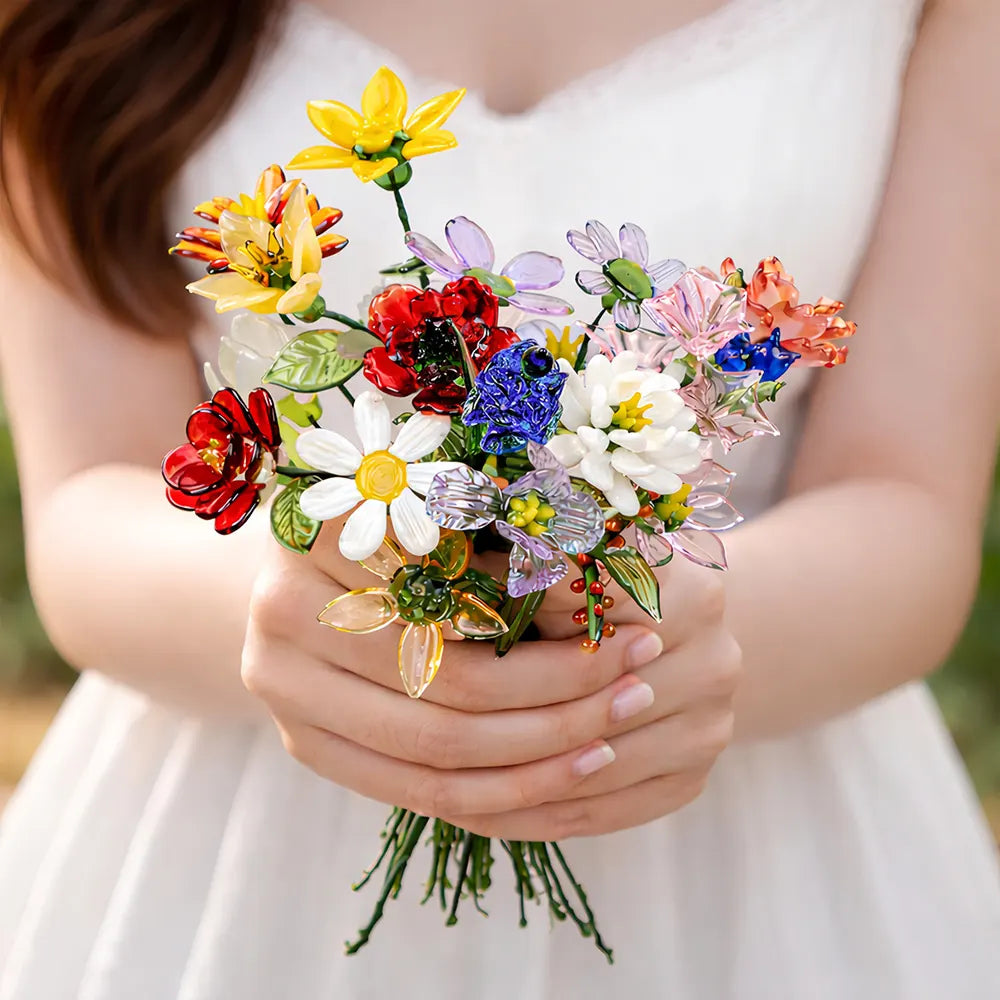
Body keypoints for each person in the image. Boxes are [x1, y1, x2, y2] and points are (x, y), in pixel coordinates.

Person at [1, 0, 998, 996]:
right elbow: (92, 493)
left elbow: (904, 496)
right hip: (227, 839)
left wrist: (669, 639)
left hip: (770, 843)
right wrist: (304, 618)